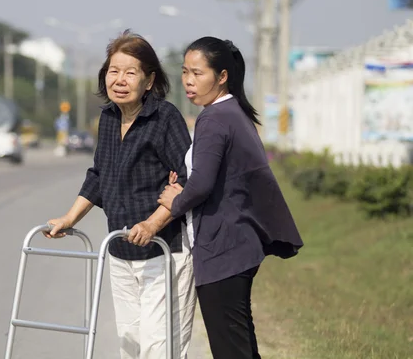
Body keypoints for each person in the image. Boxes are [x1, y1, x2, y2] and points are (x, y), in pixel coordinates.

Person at [46, 30, 197, 358]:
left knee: (162, 349)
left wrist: (152, 224)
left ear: (148, 80)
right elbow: (100, 175)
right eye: (113, 71)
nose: (120, 79)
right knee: (131, 345)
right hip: (120, 250)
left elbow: (187, 179)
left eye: (131, 72)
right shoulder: (109, 118)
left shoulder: (164, 117)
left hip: (164, 250)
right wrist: (69, 218)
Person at [158, 37, 304, 359]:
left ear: (222, 76)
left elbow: (202, 185)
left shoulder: (214, 118)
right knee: (240, 348)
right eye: (185, 72)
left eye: (198, 73)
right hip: (236, 246)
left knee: (231, 350)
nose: (188, 81)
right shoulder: (233, 112)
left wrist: (175, 201)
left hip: (223, 251)